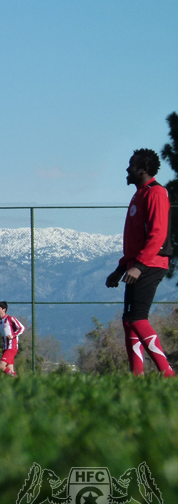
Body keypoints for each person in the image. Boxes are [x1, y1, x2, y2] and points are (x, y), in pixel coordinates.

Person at [105, 148, 175, 377]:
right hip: (137, 264)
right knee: (128, 321)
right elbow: (135, 242)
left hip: (151, 264)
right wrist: (120, 268)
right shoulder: (138, 195)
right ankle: (137, 377)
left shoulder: (156, 193)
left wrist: (139, 266)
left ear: (143, 169)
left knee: (137, 317)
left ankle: (167, 373)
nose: (128, 169)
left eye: (132, 165)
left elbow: (158, 234)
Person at [0, 301, 25, 376]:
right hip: (5, 348)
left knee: (1, 366)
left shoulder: (10, 319)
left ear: (4, 309)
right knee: (9, 370)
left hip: (12, 347)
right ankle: (16, 384)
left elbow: (22, 328)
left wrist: (14, 335)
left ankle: (17, 377)